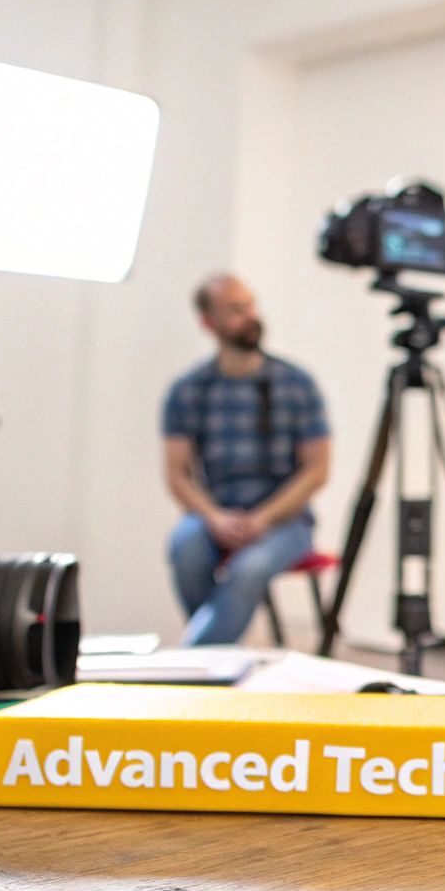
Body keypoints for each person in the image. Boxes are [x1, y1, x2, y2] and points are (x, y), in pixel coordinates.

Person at [162, 273, 330, 644]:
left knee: (248, 568)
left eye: (249, 305)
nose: (249, 315)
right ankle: (214, 657)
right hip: (215, 514)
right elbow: (177, 476)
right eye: (235, 310)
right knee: (184, 547)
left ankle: (192, 663)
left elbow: (317, 470)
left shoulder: (295, 384)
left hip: (285, 520)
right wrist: (216, 518)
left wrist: (262, 519)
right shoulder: (189, 390)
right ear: (208, 322)